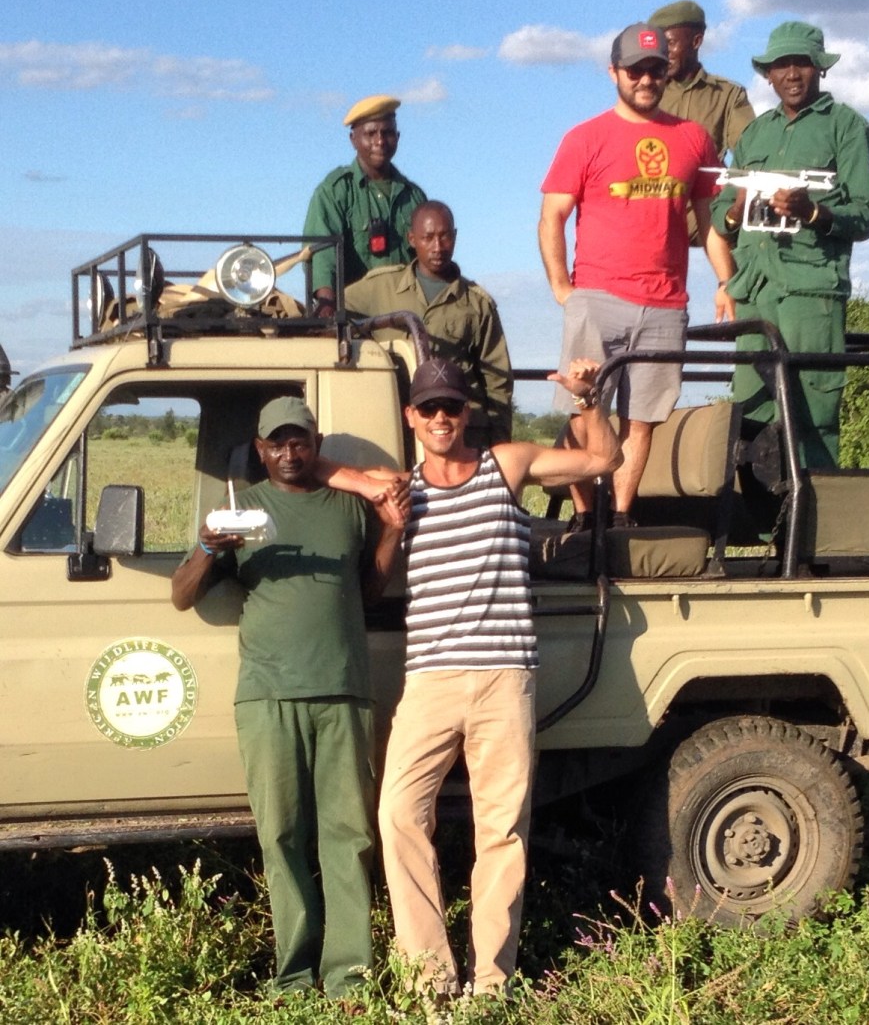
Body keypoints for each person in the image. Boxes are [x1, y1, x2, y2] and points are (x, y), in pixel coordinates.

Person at [332, 357, 620, 999]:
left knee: (502, 830)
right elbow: (319, 471)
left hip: (502, 676)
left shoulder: (506, 464)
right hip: (430, 679)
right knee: (399, 815)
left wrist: (589, 398)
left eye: (451, 407)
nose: (441, 418)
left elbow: (604, 461)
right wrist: (379, 504)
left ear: (468, 413)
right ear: (410, 416)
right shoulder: (401, 486)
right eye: (428, 408)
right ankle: (431, 979)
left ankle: (492, 983)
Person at [170, 397, 406, 1003]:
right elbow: (181, 595)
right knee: (281, 836)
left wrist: (393, 533)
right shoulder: (242, 510)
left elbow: (371, 588)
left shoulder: (350, 509)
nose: (288, 452)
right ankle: (295, 977)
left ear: (316, 441)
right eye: (276, 443)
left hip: (345, 691)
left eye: (299, 440)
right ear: (260, 448)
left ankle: (349, 977)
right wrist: (208, 544)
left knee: (349, 836)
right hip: (268, 695)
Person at [538, 21, 736, 529]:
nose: (646, 80)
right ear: (614, 73)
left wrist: (724, 282)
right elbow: (552, 216)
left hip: (666, 303)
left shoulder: (693, 138)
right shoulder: (585, 138)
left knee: (642, 418)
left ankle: (622, 516)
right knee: (587, 411)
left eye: (655, 70)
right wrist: (564, 288)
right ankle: (586, 518)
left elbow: (710, 222)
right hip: (598, 294)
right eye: (635, 71)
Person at [711, 20, 869, 468]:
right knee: (749, 414)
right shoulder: (753, 135)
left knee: (811, 413)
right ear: (767, 74)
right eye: (781, 65)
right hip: (755, 295)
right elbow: (720, 217)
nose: (791, 74)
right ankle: (766, 531)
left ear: (819, 69)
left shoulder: (848, 127)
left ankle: (811, 531)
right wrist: (735, 209)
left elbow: (865, 216)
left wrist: (813, 213)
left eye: (801, 64)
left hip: (811, 294)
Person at [345, 200, 514, 447]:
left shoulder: (477, 303)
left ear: (455, 237)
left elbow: (497, 381)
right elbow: (329, 313)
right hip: (393, 427)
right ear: (412, 239)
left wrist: (500, 447)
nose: (437, 247)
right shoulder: (377, 288)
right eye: (428, 238)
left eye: (445, 237)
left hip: (458, 433)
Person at [303, 94, 427, 315]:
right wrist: (328, 307)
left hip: (406, 316)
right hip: (354, 317)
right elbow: (321, 256)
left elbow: (428, 262)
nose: (380, 141)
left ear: (397, 137)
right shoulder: (335, 191)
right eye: (370, 133)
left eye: (387, 133)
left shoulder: (414, 197)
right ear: (353, 139)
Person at [649, 0, 756, 246]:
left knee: (752, 235)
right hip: (655, 204)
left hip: (706, 206)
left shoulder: (727, 94)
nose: (663, 53)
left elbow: (752, 149)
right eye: (659, 46)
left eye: (671, 44)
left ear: (696, 42)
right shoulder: (648, 92)